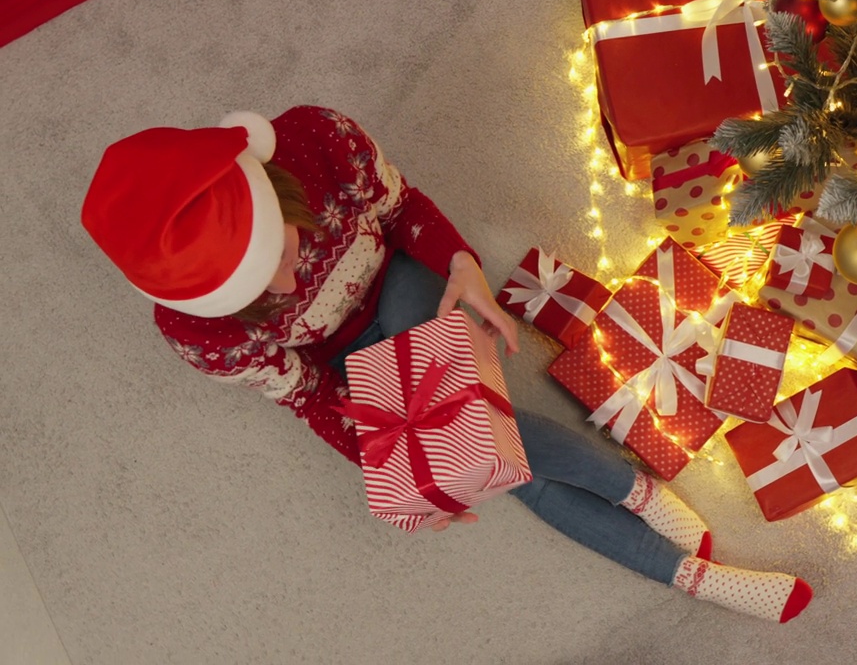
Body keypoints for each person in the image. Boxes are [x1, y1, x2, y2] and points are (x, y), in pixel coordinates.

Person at [80, 105, 813, 623]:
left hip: (399, 283)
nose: (282, 286)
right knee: (493, 460)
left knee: (484, 441)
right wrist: (391, 472)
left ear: (272, 193)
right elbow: (304, 395)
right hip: (346, 361)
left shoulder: (314, 141)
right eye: (251, 295)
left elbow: (402, 213)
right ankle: (682, 559)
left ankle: (644, 507)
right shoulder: (195, 335)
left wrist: (457, 260)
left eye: (278, 250)